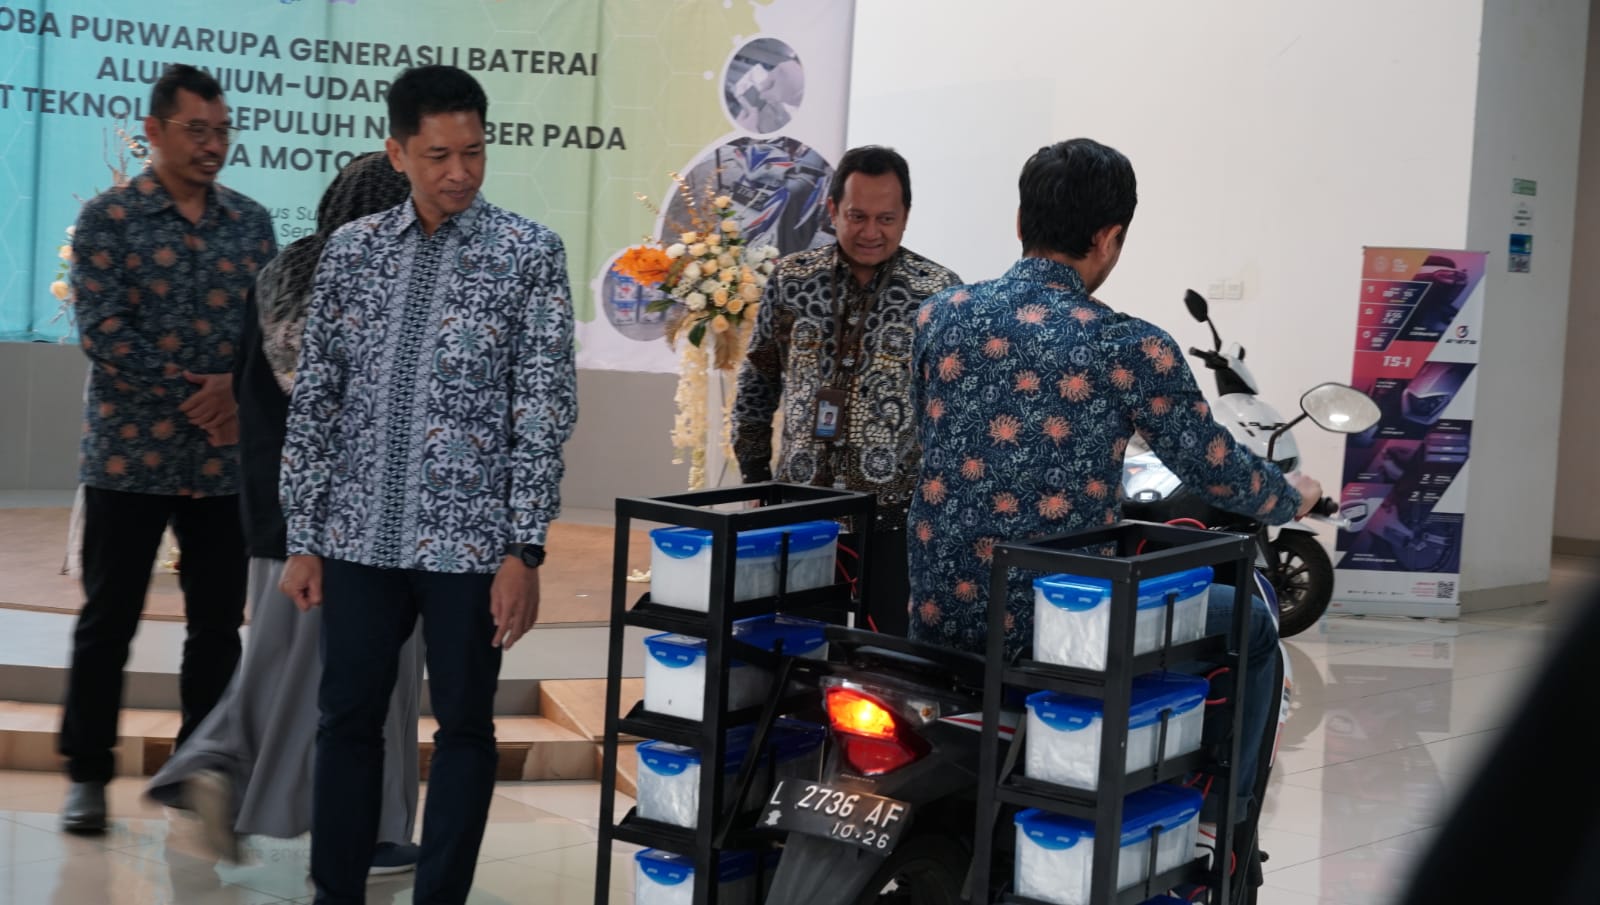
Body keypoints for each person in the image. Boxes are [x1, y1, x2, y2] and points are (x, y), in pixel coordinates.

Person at [906, 138, 1322, 825]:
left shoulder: (937, 314)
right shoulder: (1129, 345)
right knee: (1250, 623)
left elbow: (930, 435)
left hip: (937, 612)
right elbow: (1214, 467)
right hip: (1063, 625)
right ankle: (1221, 825)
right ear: (1109, 237)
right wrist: (1290, 496)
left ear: (1021, 221)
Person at [278, 64, 578, 905]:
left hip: (471, 547)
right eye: (439, 155)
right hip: (358, 536)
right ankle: (334, 892)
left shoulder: (528, 254)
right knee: (346, 721)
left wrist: (524, 549)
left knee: (467, 729)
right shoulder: (351, 252)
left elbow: (543, 408)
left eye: (473, 152)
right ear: (397, 152)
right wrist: (304, 536)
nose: (459, 172)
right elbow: (318, 401)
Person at [144, 152, 423, 876]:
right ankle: (367, 829)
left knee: (281, 664)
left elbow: (255, 393)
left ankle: (216, 768)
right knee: (374, 673)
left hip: (273, 510)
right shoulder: (373, 282)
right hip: (353, 518)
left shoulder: (280, 274)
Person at [60, 63, 277, 834]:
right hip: (129, 457)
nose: (212, 145)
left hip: (222, 465)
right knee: (108, 619)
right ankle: (87, 773)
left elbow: (271, 330)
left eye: (221, 131)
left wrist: (237, 392)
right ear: (154, 131)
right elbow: (103, 331)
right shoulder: (109, 219)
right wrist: (202, 396)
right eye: (196, 131)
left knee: (216, 626)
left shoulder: (251, 222)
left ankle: (197, 769)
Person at [733, 145, 960, 636]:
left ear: (906, 216)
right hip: (798, 509)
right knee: (794, 647)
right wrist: (754, 478)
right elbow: (758, 380)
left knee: (883, 656)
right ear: (833, 209)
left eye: (886, 218)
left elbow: (952, 414)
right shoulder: (791, 280)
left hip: (894, 521)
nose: (871, 232)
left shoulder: (939, 294)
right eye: (857, 216)